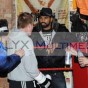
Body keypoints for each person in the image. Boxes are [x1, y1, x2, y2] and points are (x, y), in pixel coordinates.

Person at [31, 7, 76, 88]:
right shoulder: (34, 31)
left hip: (57, 71)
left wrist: (58, 44)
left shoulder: (60, 29)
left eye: (45, 18)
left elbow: (72, 40)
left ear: (51, 19)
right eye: (41, 18)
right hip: (40, 71)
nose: (42, 20)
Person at [7, 12, 51, 88]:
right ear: (29, 26)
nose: (33, 28)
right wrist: (43, 80)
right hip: (24, 82)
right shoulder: (26, 40)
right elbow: (30, 67)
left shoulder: (11, 37)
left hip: (13, 82)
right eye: (32, 25)